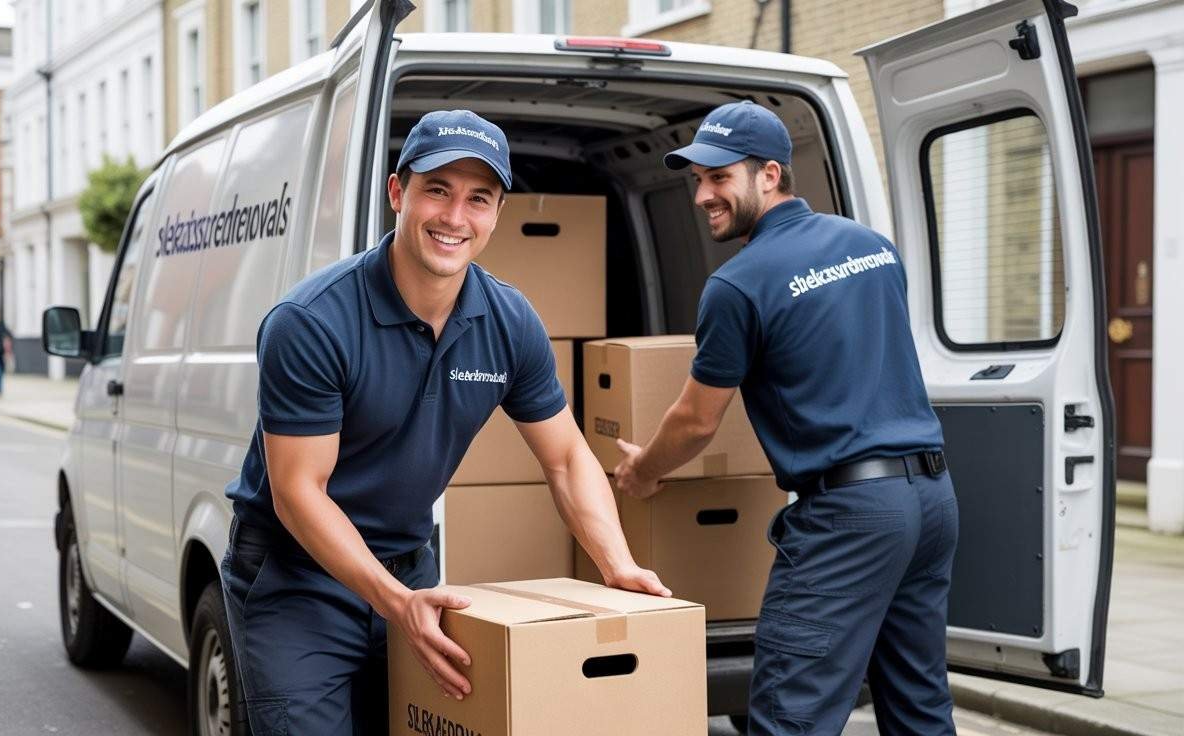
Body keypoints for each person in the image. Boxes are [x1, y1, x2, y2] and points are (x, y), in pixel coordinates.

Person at [221, 109, 668, 736]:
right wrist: (396, 605)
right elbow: (299, 493)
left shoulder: (509, 321)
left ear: (496, 214)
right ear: (398, 192)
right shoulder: (313, 321)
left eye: (478, 198)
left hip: (411, 568)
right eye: (438, 190)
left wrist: (616, 564)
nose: (456, 218)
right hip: (299, 579)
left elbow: (566, 457)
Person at [613, 101, 959, 735]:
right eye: (697, 180)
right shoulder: (871, 246)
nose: (702, 196)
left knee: (789, 714)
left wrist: (642, 472)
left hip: (850, 516)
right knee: (919, 705)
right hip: (931, 500)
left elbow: (695, 422)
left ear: (769, 174)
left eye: (719, 178)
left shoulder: (738, 285)